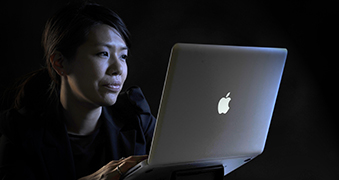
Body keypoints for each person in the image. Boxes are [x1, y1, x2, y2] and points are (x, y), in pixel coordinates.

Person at [0, 1, 156, 180]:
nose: (118, 69)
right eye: (103, 53)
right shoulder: (19, 134)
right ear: (60, 62)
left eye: (123, 56)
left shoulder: (136, 119)